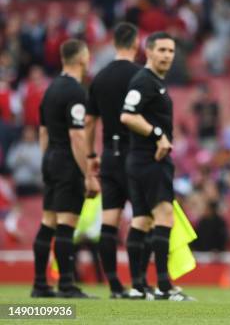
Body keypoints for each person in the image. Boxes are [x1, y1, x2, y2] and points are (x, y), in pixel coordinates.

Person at [120, 32, 194, 301]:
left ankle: (139, 286)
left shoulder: (152, 82)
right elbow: (127, 115)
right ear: (148, 51)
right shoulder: (145, 81)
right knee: (164, 218)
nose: (166, 55)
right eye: (161, 50)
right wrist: (157, 135)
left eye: (171, 51)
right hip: (152, 159)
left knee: (142, 220)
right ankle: (164, 286)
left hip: (139, 160)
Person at [85, 22, 152, 299]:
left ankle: (114, 286)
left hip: (109, 157)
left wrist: (91, 156)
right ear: (136, 43)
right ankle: (139, 283)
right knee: (143, 220)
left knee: (109, 222)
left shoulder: (99, 78)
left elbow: (89, 122)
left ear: (114, 44)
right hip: (135, 154)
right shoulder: (141, 75)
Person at [32, 39, 98, 298]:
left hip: (50, 157)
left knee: (48, 221)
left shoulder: (50, 90)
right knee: (66, 224)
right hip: (68, 161)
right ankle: (67, 285)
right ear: (82, 58)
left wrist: (47, 161)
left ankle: (40, 285)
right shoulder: (75, 92)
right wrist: (87, 175)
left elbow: (43, 131)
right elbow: (78, 137)